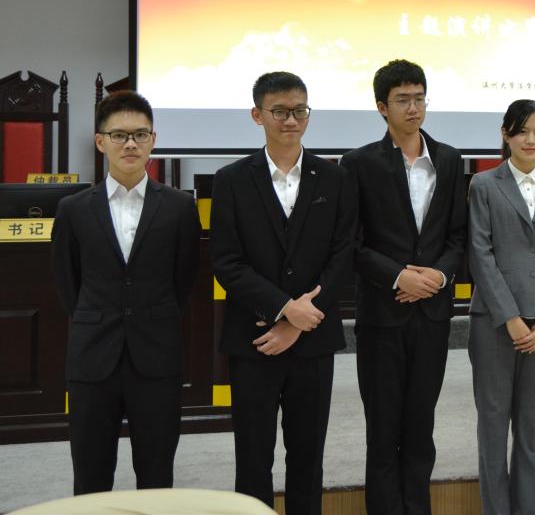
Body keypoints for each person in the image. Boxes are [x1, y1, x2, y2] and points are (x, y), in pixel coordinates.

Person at [211, 72, 356, 514]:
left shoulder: (334, 177)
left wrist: (299, 320)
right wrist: (283, 309)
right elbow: (226, 261)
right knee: (253, 457)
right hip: (254, 340)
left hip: (314, 339)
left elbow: (343, 255)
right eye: (280, 111)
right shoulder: (232, 179)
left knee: (308, 457)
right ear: (258, 115)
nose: (291, 120)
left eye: (299, 111)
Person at [51, 90, 200, 494]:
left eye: (140, 134)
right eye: (119, 135)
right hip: (93, 357)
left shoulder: (180, 208)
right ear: (101, 142)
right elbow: (68, 285)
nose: (130, 144)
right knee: (91, 475)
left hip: (157, 356)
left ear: (153, 140)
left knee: (156, 475)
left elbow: (184, 281)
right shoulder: (74, 209)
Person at [341, 59, 467, 515]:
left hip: (431, 315)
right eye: (402, 100)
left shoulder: (449, 159)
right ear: (382, 107)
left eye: (419, 98)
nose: (413, 108)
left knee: (420, 427)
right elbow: (351, 242)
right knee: (383, 430)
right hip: (382, 314)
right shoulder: (358, 164)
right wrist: (400, 276)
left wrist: (437, 277)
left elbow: (458, 236)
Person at [467, 99, 535, 515]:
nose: (531, 140)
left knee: (529, 427)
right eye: (522, 131)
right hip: (494, 322)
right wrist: (510, 317)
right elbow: (480, 254)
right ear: (505, 134)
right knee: (493, 425)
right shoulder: (483, 185)